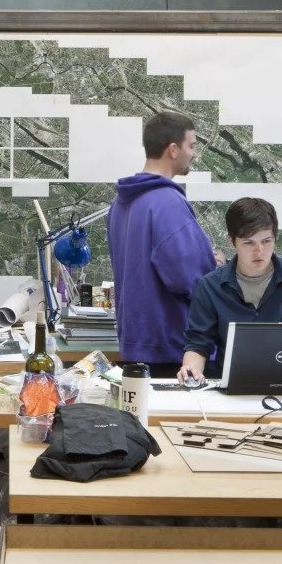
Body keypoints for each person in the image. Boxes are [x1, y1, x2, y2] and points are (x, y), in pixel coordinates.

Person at [108, 110, 218, 375]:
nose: (194, 153)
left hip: (135, 343)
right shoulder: (167, 203)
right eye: (191, 145)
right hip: (172, 348)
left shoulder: (120, 204)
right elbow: (191, 278)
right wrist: (214, 266)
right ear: (172, 149)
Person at [177, 197, 282, 384]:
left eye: (266, 241)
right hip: (229, 387)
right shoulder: (209, 286)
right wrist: (191, 372)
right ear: (232, 241)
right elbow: (198, 344)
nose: (259, 251)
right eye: (248, 243)